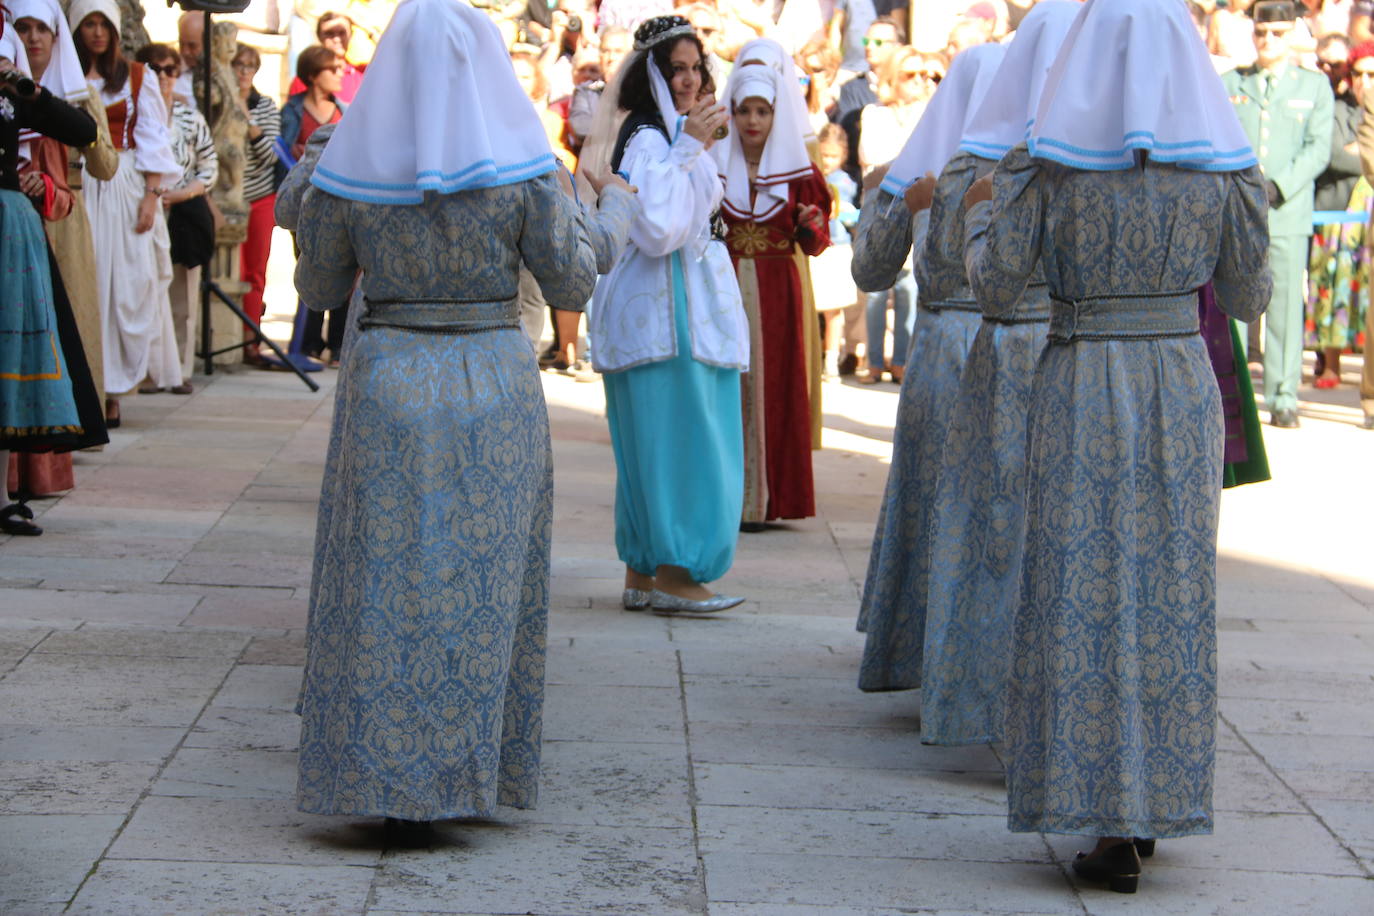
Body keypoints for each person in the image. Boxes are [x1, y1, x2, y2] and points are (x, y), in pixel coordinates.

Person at [293, 0, 634, 830]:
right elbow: (572, 284)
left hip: (387, 384)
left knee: (380, 578)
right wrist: (613, 208)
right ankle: (465, 771)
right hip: (491, 384)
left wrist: (317, 178)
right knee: (477, 583)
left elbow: (318, 290)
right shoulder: (520, 168)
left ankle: (371, 771)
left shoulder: (356, 164)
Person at [965, 0, 1271, 891]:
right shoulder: (1223, 168)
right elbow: (1250, 297)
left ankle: (1104, 815)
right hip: (1179, 382)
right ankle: (1153, 802)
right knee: (1169, 589)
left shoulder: (1049, 167)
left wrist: (983, 219)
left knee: (1083, 589)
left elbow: (996, 289)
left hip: (1081, 380)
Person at [890, 6, 1074, 734]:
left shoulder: (974, 160)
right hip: (1071, 350)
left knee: (995, 529)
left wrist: (963, 216)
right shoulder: (1096, 153)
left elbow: (951, 272)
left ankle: (982, 701)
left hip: (1001, 354)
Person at [848, 37, 1011, 665]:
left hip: (944, 349)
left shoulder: (922, 170)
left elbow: (869, 270)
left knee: (933, 498)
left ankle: (921, 649)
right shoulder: (1037, 173)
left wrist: (903, 209)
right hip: (1020, 350)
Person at [583, 14, 749, 613]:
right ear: (651, 73)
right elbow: (657, 229)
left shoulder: (668, 136)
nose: (688, 79)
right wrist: (688, 149)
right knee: (685, 435)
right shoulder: (656, 138)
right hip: (670, 312)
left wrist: (692, 146)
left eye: (695, 67)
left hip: (672, 308)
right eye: (674, 69)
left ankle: (642, 571)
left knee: (652, 438)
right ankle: (678, 570)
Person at [715, 41, 831, 528]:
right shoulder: (714, 166)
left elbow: (819, 240)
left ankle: (771, 498)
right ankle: (730, 498)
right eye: (744, 111)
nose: (753, 121)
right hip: (724, 289)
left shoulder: (799, 174)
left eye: (763, 111)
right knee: (729, 386)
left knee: (777, 384)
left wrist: (809, 223)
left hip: (779, 291)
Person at [7, 0, 114, 499]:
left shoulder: (32, 91)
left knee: (34, 350)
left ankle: (21, 484)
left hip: (43, 224)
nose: (28, 39)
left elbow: (94, 147)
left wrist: (25, 87)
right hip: (21, 223)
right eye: (18, 29)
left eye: (37, 30)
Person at [69, 0, 183, 430]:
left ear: (116, 31)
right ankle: (89, 388)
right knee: (87, 281)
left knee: (126, 288)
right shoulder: (65, 75)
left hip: (124, 180)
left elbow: (154, 137)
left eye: (103, 24)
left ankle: (115, 389)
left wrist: (152, 196)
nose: (97, 32)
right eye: (89, 24)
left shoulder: (138, 77)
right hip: (77, 181)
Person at [1223, 1, 1334, 428]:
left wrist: (1278, 186)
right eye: (1261, 33)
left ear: (1294, 35)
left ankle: (1284, 393)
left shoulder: (1314, 87)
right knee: (1231, 302)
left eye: (1279, 34)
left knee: (1286, 304)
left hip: (1286, 211)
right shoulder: (1231, 82)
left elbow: (1317, 148)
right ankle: (1231, 392)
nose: (1268, 41)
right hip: (1238, 211)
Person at [855, 46, 949, 384]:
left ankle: (901, 360)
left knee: (910, 290)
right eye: (910, 74)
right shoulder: (874, 114)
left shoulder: (932, 115)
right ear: (894, 77)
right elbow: (874, 158)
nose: (920, 82)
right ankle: (875, 359)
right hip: (884, 208)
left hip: (921, 205)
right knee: (877, 292)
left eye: (926, 75)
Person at [135, 42, 214, 394]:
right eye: (155, 68)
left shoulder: (190, 118)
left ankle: (179, 371)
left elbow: (209, 167)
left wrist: (182, 194)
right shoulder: (134, 113)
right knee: (145, 291)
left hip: (183, 212)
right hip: (140, 209)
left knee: (184, 297)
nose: (164, 76)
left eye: (171, 70)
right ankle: (149, 371)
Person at [1307, 39, 1371, 389]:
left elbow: (1354, 156)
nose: (1365, 81)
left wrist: (1357, 149)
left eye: (1372, 74)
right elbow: (1333, 155)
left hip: (1367, 215)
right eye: (1359, 74)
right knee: (1331, 284)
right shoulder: (1335, 108)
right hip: (1336, 212)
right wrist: (1363, 152)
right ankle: (1330, 364)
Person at [282, 44, 348, 364]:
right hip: (306, 203)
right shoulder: (292, 110)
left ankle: (336, 345)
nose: (340, 74)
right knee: (308, 270)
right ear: (312, 75)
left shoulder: (346, 112)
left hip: (339, 202)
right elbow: (282, 150)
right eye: (332, 69)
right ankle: (307, 343)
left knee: (345, 273)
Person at [233, 42, 281, 366]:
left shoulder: (265, 106)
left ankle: (251, 340)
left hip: (260, 197)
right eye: (239, 65)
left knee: (255, 272)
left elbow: (270, 156)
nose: (244, 72)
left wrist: (249, 125)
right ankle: (228, 337)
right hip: (228, 197)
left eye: (250, 66)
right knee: (230, 269)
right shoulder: (216, 103)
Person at [813, 123, 860, 379]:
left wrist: (849, 214)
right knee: (814, 307)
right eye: (824, 154)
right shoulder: (811, 177)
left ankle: (831, 359)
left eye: (833, 155)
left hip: (837, 248)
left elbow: (853, 215)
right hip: (816, 249)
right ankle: (815, 355)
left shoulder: (847, 182)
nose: (827, 160)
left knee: (834, 310)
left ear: (842, 154)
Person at [834, 15, 901, 178]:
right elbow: (849, 139)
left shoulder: (908, 86)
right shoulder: (851, 89)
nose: (869, 47)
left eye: (878, 42)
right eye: (866, 41)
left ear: (897, 46)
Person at [285, 10, 366, 101]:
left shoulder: (362, 74)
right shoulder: (308, 77)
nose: (336, 39)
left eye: (342, 33)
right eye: (329, 33)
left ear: (351, 35)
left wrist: (367, 28)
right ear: (319, 36)